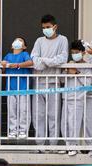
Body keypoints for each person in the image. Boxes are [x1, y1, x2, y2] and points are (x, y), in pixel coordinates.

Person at [31, 15, 69, 146]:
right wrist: (47, 62)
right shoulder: (39, 41)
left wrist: (45, 61)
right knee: (38, 115)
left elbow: (62, 58)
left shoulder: (62, 40)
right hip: (39, 82)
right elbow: (35, 60)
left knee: (54, 115)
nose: (45, 30)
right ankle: (39, 145)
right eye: (43, 28)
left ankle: (53, 144)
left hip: (54, 83)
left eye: (48, 27)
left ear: (55, 27)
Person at [1, 38, 33, 139]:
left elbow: (30, 62)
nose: (17, 41)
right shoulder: (8, 56)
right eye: (15, 40)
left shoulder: (24, 54)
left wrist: (18, 65)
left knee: (23, 110)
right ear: (12, 45)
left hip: (23, 87)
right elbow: (3, 66)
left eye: (20, 40)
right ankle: (13, 130)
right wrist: (3, 64)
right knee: (11, 110)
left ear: (24, 46)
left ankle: (23, 130)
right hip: (11, 88)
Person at [61, 40, 87, 154]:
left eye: (77, 52)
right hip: (66, 97)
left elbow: (88, 83)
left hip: (78, 99)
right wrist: (67, 71)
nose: (74, 54)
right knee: (64, 123)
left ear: (83, 52)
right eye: (73, 52)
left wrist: (76, 73)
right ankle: (67, 146)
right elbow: (61, 80)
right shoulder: (69, 64)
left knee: (74, 123)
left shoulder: (87, 66)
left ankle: (74, 146)